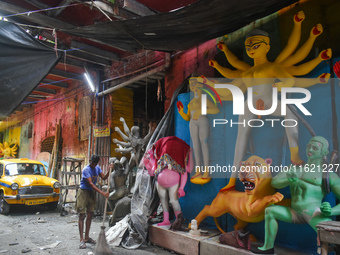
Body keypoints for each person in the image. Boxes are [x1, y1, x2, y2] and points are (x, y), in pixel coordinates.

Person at [208, 11, 331, 191]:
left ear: (267, 46)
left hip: (271, 103)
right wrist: (209, 85)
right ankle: (232, 181)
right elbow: (231, 89)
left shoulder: (272, 67)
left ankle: (294, 155)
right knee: (240, 139)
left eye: (255, 45)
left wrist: (281, 86)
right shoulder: (246, 73)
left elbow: (289, 80)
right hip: (251, 106)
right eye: (248, 46)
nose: (250, 49)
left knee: (291, 114)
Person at [251, 136, 340, 254]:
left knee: (329, 236)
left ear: (324, 152)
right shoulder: (294, 168)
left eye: (315, 147)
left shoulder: (328, 174)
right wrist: (288, 179)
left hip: (314, 214)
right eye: (309, 146)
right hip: (294, 212)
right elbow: (275, 182)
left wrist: (331, 211)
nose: (310, 149)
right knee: (270, 211)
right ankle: (268, 247)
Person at [177, 77, 220, 185]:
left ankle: (206, 170)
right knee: (195, 146)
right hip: (193, 123)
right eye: (191, 83)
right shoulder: (191, 102)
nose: (192, 85)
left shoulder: (204, 99)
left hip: (202, 121)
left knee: (204, 143)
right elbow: (187, 117)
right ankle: (198, 170)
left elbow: (215, 109)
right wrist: (182, 112)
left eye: (194, 83)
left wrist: (201, 110)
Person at [76, 155, 112, 249]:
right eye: (92, 163)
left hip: (92, 193)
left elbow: (104, 177)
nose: (93, 165)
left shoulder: (97, 168)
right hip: (83, 192)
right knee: (82, 216)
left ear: (97, 163)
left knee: (90, 214)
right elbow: (91, 184)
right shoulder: (86, 170)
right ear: (90, 160)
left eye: (95, 163)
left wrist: (109, 170)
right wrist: (102, 193)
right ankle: (81, 240)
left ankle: (87, 237)